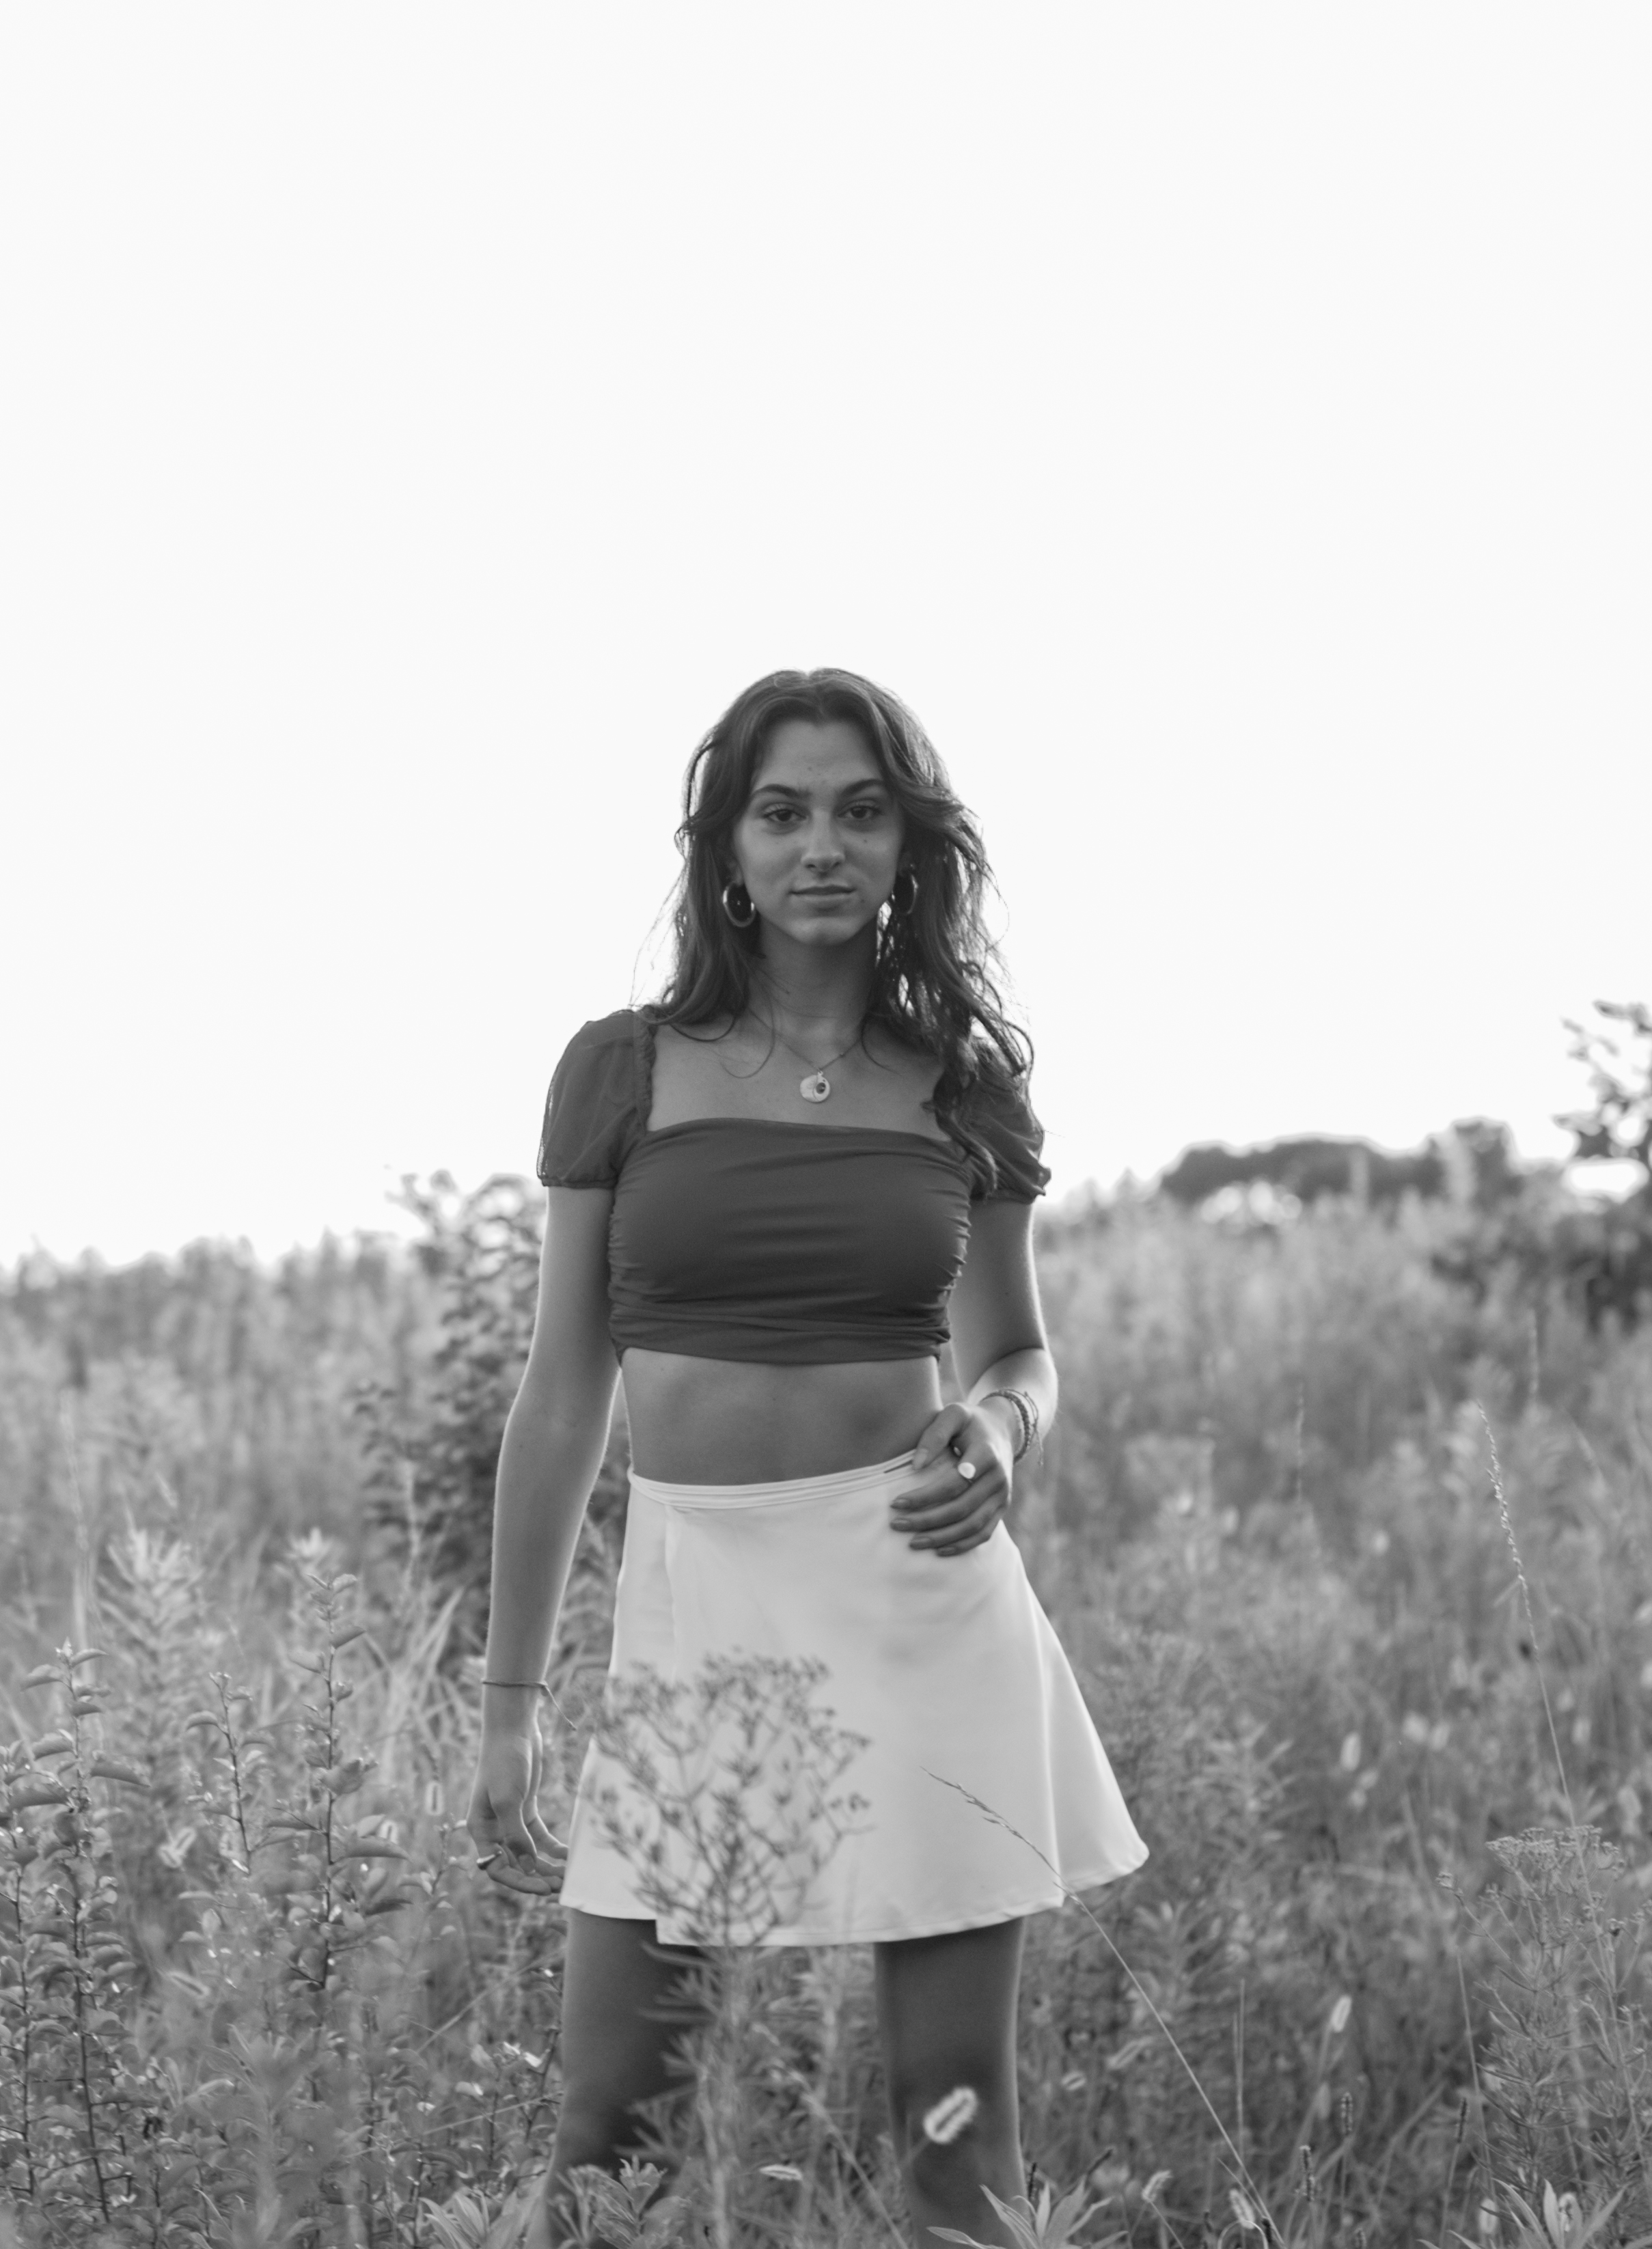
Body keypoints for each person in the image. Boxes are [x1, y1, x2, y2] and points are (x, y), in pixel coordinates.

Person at [471, 669, 1144, 2248]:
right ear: (728, 846)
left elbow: (1019, 1351)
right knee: (607, 2140)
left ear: (910, 842)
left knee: (954, 2140)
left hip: (922, 1601)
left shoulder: (960, 1080)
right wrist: (509, 1701)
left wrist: (994, 1425)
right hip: (698, 1602)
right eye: (782, 810)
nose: (820, 844)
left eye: (859, 808)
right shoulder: (625, 1070)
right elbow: (562, 1393)